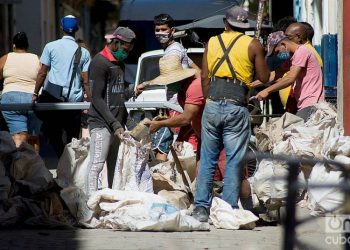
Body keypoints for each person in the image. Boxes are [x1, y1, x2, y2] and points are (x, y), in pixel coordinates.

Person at [192, 6, 270, 222]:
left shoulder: (212, 42)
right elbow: (264, 77)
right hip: (237, 104)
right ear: (243, 26)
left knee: (208, 158)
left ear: (225, 23)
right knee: (235, 160)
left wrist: (210, 100)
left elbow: (205, 77)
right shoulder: (252, 44)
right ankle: (227, 208)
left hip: (213, 102)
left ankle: (201, 209)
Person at [142, 13, 201, 161]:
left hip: (176, 108)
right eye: (157, 30)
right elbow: (197, 70)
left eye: (163, 29)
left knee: (163, 146)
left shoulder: (174, 50)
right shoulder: (177, 48)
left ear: (172, 31)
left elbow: (186, 118)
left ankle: (161, 179)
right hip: (182, 105)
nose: (160, 33)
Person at [86, 27, 136, 196]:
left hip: (117, 126)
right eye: (124, 49)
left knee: (115, 169)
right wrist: (114, 123)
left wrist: (128, 123)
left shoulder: (119, 64)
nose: (126, 53)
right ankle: (89, 206)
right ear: (115, 43)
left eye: (129, 51)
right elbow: (97, 98)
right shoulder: (99, 63)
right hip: (101, 124)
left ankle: (111, 204)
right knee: (96, 166)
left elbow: (119, 96)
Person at [32, 15, 91, 157]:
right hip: (73, 103)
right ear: (76, 29)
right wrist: (89, 99)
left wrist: (35, 93)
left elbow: (42, 73)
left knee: (54, 135)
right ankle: (69, 165)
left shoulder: (50, 47)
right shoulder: (83, 52)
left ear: (61, 28)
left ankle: (61, 159)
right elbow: (85, 80)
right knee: (72, 138)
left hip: (54, 100)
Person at [137, 55, 204, 153]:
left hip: (215, 137)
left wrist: (159, 124)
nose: (167, 85)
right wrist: (180, 137)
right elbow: (192, 118)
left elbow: (187, 118)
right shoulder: (181, 94)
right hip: (204, 137)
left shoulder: (195, 87)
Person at [254, 32, 325, 121]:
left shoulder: (302, 52)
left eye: (277, 51)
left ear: (284, 44)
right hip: (302, 103)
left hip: (311, 103)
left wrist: (267, 91)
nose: (277, 55)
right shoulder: (292, 57)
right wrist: (253, 84)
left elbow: (290, 78)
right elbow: (276, 74)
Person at [0, 32, 41, 151]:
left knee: (18, 137)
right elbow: (43, 76)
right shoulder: (36, 58)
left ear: (13, 46)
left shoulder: (6, 58)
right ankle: (34, 167)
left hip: (11, 98)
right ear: (27, 46)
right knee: (33, 138)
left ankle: (19, 167)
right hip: (33, 99)